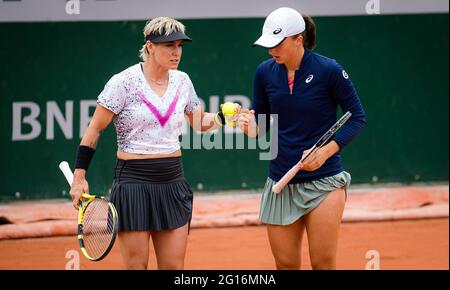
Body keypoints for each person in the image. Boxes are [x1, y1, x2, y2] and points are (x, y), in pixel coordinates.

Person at [69, 17, 238, 270]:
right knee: (137, 267)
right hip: (133, 184)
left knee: (174, 268)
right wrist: (79, 177)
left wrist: (224, 118)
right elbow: (94, 130)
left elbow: (199, 122)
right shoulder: (123, 83)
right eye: (169, 46)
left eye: (179, 45)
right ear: (150, 46)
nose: (176, 52)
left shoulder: (183, 81)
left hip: (172, 182)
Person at [238, 7, 366, 270]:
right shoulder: (264, 72)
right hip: (280, 181)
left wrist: (325, 152)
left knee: (322, 263)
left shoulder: (329, 70)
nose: (271, 51)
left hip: (324, 183)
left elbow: (357, 117)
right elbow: (260, 125)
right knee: (285, 265)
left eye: (277, 44)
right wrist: (249, 127)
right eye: (267, 45)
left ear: (298, 38)